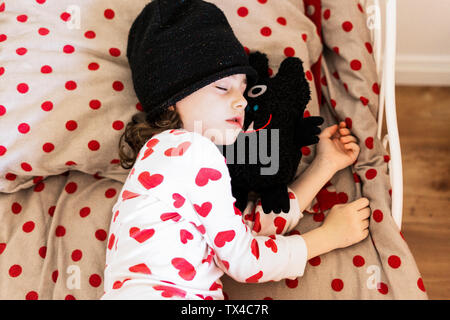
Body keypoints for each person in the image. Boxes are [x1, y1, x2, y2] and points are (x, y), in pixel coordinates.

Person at [101, 0, 371, 300]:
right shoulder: (193, 151)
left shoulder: (166, 158)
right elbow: (244, 260)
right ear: (172, 99)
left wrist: (324, 167)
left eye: (243, 89)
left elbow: (243, 233)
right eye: (222, 88)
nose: (241, 101)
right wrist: (328, 237)